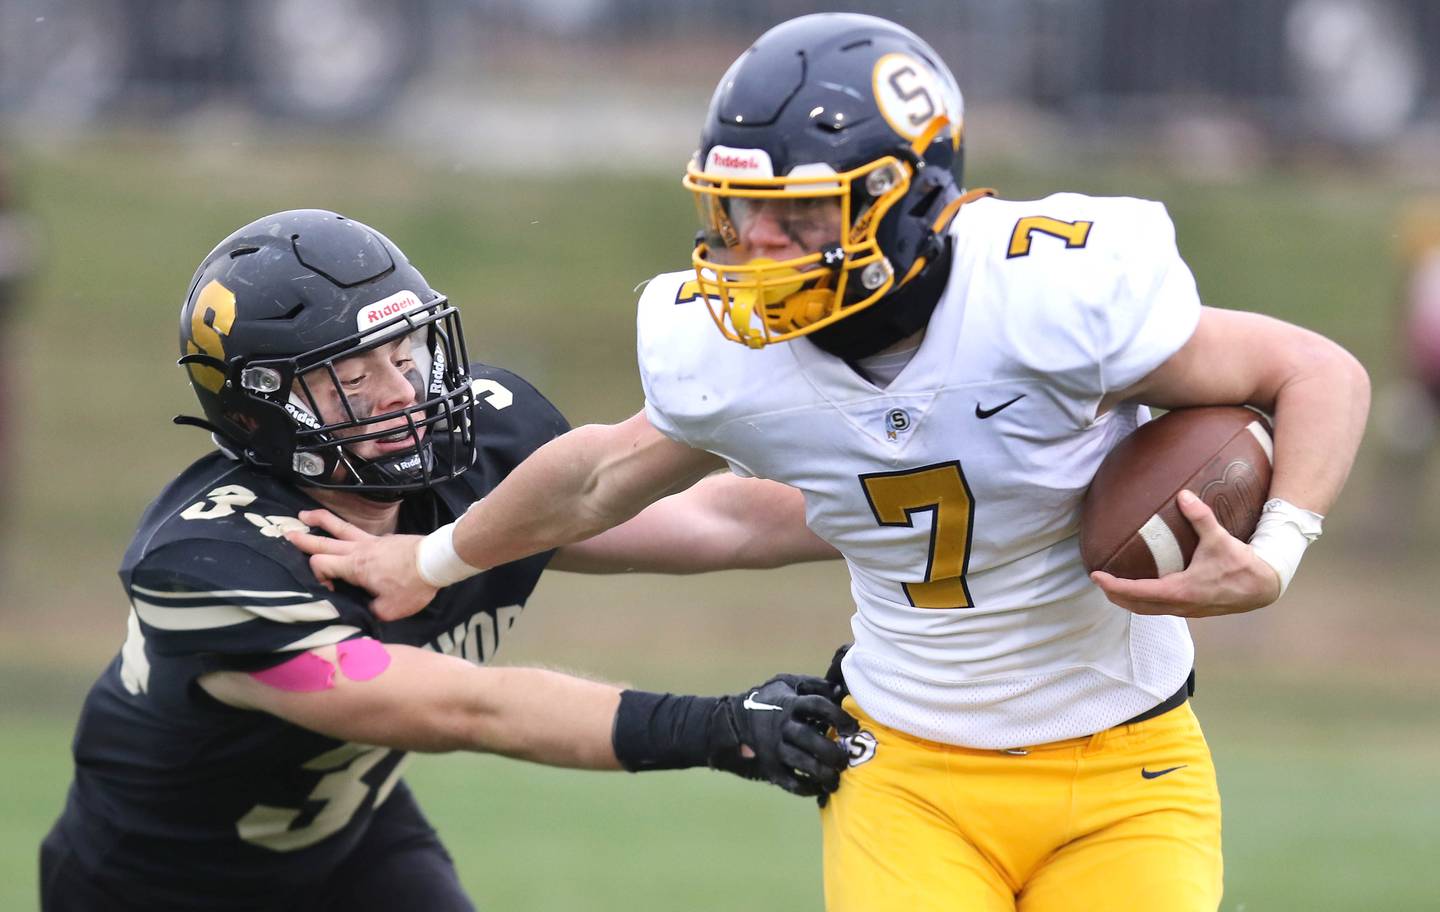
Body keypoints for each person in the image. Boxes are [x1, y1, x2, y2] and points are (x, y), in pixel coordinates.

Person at [293, 13, 1371, 912]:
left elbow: (1317, 370)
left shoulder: (1054, 296)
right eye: (738, 216)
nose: (756, 254)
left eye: (797, 216)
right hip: (908, 778)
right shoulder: (729, 354)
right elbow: (601, 478)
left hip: (1129, 767)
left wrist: (1276, 551)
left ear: (909, 197)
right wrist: (429, 559)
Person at [40, 209, 857, 912]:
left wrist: (936, 507)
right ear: (262, 407)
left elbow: (717, 519)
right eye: (350, 380)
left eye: (405, 353)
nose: (399, 392)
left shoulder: (477, 450)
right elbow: (469, 709)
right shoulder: (215, 562)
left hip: (348, 839)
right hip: (158, 883)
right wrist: (717, 727)